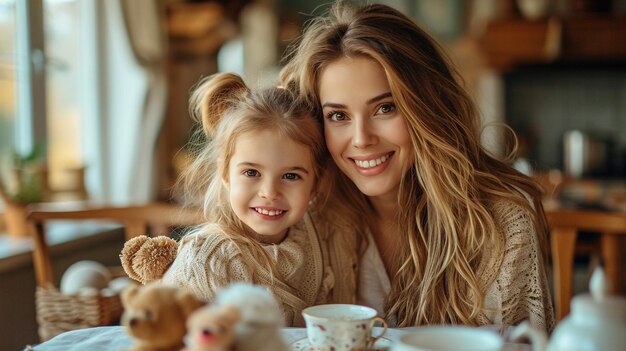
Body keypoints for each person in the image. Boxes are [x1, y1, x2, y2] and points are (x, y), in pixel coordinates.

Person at [280, 1, 555, 331]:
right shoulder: (312, 216)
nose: (361, 138)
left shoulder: (500, 222)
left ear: (427, 106)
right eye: (338, 116)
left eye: (385, 108)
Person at [160, 72, 354, 326]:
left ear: (316, 183)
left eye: (291, 176)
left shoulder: (325, 234)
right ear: (225, 174)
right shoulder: (205, 262)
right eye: (251, 172)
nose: (270, 192)